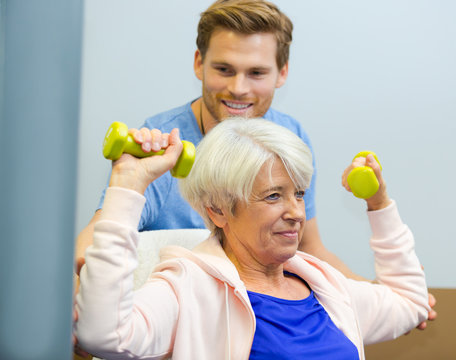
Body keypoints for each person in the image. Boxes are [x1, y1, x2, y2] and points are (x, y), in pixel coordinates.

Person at [74, 0, 436, 327]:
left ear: (282, 73)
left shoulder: (287, 136)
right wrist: (75, 296)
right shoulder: (163, 141)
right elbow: (93, 243)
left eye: (257, 73)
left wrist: (381, 297)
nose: (239, 88)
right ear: (199, 64)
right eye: (224, 69)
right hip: (188, 324)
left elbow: (309, 246)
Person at [74, 118, 430, 359]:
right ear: (218, 210)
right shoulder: (189, 289)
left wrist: (379, 203)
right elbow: (103, 334)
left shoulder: (325, 286)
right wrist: (128, 183)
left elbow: (409, 303)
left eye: (299, 194)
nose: (296, 212)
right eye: (274, 196)